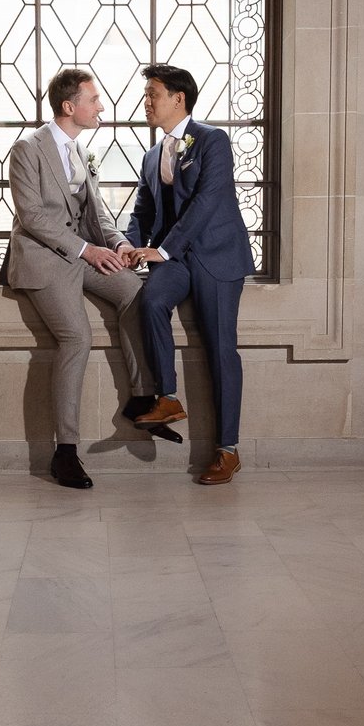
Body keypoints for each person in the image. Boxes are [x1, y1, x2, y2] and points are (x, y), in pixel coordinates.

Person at [6, 67, 145, 489]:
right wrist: (87, 250)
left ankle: (144, 402)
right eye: (94, 100)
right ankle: (64, 452)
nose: (101, 106)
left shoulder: (83, 151)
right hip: (43, 259)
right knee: (77, 337)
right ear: (70, 107)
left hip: (82, 253)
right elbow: (31, 217)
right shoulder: (27, 149)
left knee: (136, 294)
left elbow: (96, 211)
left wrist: (119, 244)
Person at [121, 63, 250, 486]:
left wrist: (161, 250)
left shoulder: (213, 140)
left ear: (178, 98)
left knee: (220, 349)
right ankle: (168, 398)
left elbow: (208, 202)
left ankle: (227, 451)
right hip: (174, 260)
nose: (146, 101)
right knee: (152, 301)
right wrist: (128, 246)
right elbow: (144, 210)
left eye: (153, 93)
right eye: (146, 94)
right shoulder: (152, 155)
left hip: (216, 256)